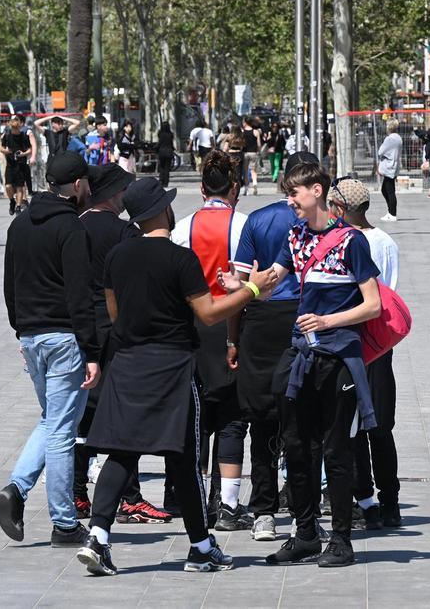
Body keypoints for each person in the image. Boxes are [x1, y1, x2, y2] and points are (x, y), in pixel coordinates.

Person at [75, 177, 279, 576]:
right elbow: (208, 313)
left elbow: (115, 315)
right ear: (163, 212)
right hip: (171, 367)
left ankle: (98, 537)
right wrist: (254, 289)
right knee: (184, 457)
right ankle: (201, 547)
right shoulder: (180, 259)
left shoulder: (117, 256)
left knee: (121, 450)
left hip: (128, 362)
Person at [262, 161, 382, 568]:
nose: (289, 201)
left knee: (337, 449)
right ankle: (306, 533)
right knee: (296, 446)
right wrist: (242, 287)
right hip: (302, 355)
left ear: (317, 191)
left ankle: (342, 539)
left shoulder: (352, 241)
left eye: (294, 193)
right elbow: (273, 278)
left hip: (339, 359)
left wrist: (328, 320)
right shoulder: (294, 236)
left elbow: (373, 305)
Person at [0, 151, 101, 549]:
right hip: (64, 340)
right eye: (86, 183)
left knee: (51, 420)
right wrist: (92, 351)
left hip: (31, 337)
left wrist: (21, 330)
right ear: (76, 185)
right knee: (62, 429)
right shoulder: (71, 229)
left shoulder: (19, 224)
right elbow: (80, 296)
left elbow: (10, 286)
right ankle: (63, 522)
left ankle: (16, 490)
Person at [72, 164, 172, 525]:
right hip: (114, 329)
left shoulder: (75, 226)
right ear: (114, 194)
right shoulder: (125, 233)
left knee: (82, 413)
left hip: (78, 328)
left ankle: (77, 492)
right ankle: (130, 496)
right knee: (122, 414)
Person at [230, 151, 318, 542]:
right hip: (303, 317)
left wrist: (233, 337)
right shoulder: (320, 223)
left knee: (261, 419)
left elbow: (241, 280)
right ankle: (305, 508)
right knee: (303, 420)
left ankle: (263, 509)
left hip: (261, 319)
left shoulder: (258, 219)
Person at [172, 151, 252, 532]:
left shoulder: (183, 227)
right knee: (232, 415)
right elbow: (246, 285)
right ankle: (229, 502)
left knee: (196, 415)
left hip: (192, 326)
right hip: (230, 325)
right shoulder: (243, 225)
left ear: (202, 188)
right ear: (234, 187)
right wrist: (235, 339)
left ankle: (193, 495)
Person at [327, 178, 402, 530]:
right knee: (376, 428)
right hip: (378, 345)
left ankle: (372, 499)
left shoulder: (351, 241)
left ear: (341, 209)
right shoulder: (385, 241)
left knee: (361, 427)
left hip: (358, 342)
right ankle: (383, 501)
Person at [0, 114, 37, 216]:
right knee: (8, 186)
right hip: (10, 164)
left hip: (20, 164)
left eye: (17, 128)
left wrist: (24, 154)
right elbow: (1, 148)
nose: (15, 130)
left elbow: (29, 148)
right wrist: (7, 151)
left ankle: (18, 206)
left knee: (20, 187)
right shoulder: (7, 136)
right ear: (11, 127)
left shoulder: (24, 136)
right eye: (13, 128)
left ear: (19, 126)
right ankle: (12, 200)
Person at [377, 123, 403, 221]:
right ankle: (390, 212)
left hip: (389, 165)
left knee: (390, 191)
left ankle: (392, 214)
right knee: (385, 189)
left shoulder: (389, 139)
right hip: (394, 164)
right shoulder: (398, 138)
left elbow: (380, 151)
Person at [242, 116, 261, 195]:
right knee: (253, 170)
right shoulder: (256, 132)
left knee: (246, 171)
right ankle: (255, 184)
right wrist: (258, 152)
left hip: (245, 153)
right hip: (254, 153)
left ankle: (246, 189)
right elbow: (259, 144)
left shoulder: (242, 132)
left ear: (245, 123)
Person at [156, 121, 175, 187]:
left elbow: (160, 143)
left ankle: (161, 180)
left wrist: (156, 148)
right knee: (167, 168)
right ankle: (166, 182)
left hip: (162, 152)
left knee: (162, 167)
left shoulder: (161, 134)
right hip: (169, 152)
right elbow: (171, 143)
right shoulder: (171, 134)